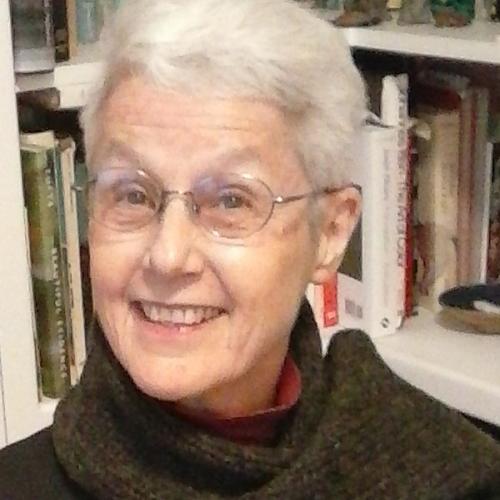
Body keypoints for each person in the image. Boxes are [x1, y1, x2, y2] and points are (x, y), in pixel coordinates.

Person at [1, 0, 499, 498]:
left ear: (330, 233)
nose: (168, 256)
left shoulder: (458, 479)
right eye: (132, 194)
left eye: (231, 201)